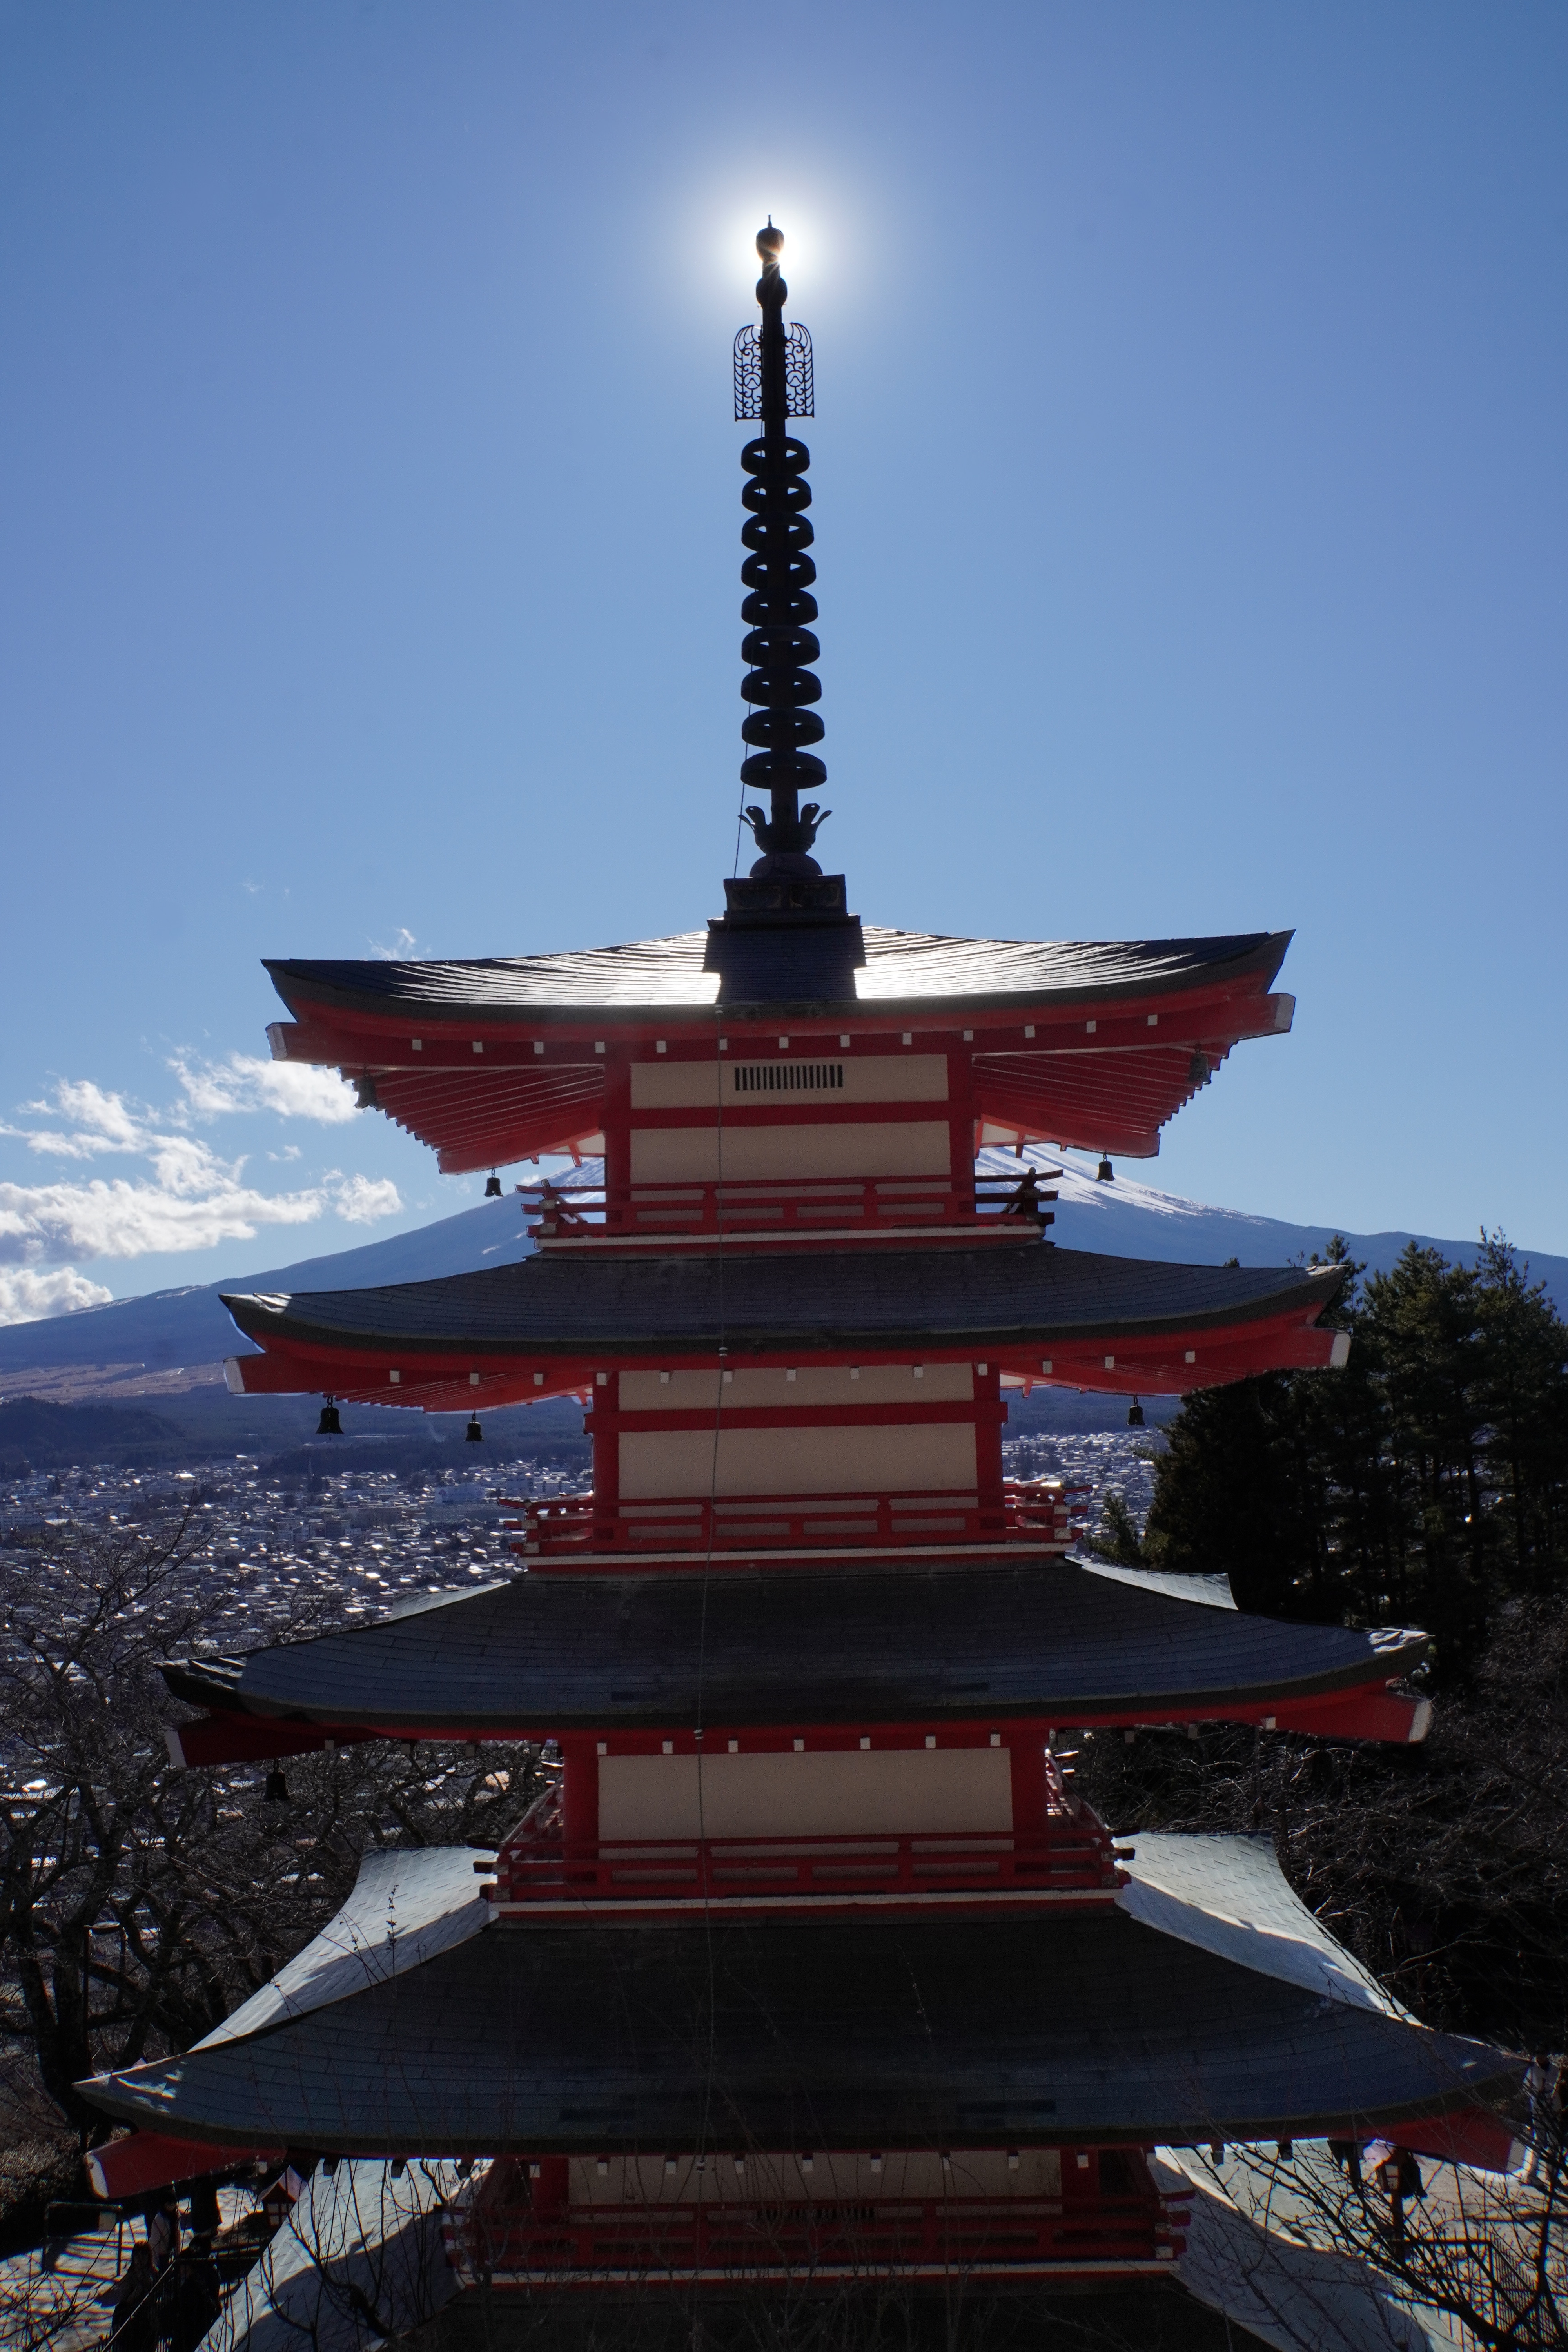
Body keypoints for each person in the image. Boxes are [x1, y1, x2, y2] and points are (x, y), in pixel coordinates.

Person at [108, 2241, 159, 2352]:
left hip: (149, 2319)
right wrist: (138, 2289)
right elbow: (125, 2301)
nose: (140, 2258)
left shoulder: (154, 2274)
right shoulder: (130, 2277)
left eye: (144, 2254)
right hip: (132, 2322)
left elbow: (158, 2294)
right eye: (137, 2255)